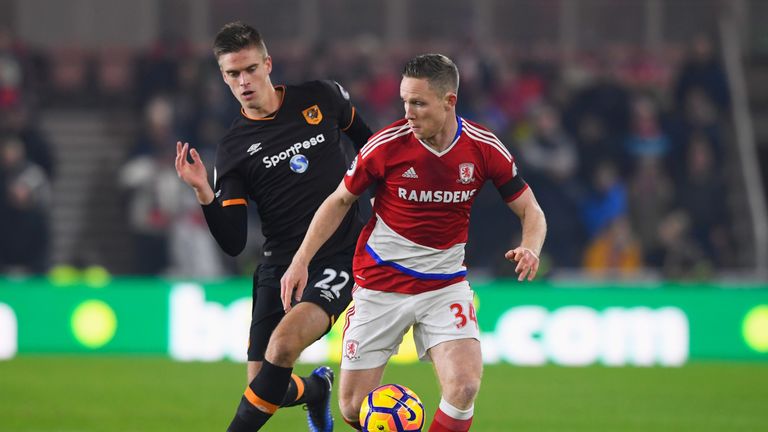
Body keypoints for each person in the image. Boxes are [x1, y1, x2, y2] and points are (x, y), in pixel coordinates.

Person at [282, 54, 547, 431]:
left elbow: (531, 210)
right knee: (354, 409)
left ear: (449, 101)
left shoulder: (484, 148)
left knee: (465, 385)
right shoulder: (385, 146)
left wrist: (531, 246)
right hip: (380, 284)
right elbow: (339, 200)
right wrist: (301, 259)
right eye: (404, 101)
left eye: (418, 103)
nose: (408, 112)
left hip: (445, 284)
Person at [174, 22, 373, 432]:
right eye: (232, 73)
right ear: (223, 76)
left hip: (339, 255)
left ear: (268, 63)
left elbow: (370, 148)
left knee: (282, 348)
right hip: (279, 265)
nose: (243, 81)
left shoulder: (322, 97)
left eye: (249, 68)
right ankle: (317, 392)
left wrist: (379, 209)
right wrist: (203, 192)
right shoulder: (232, 150)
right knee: (264, 385)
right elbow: (232, 242)